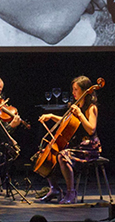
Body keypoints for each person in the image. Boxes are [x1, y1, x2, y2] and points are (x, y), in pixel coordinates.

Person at [37, 76, 100, 204]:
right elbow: (67, 123)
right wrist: (51, 116)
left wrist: (80, 114)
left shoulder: (91, 108)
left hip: (89, 146)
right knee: (44, 154)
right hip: (76, 144)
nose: (73, 92)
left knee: (62, 156)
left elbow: (91, 130)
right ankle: (54, 188)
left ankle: (71, 193)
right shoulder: (75, 106)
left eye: (76, 89)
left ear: (84, 91)